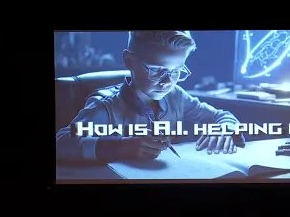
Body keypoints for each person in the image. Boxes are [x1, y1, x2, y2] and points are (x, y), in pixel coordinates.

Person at [55, 30, 246, 163]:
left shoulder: (176, 96)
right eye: (156, 70)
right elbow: (60, 143)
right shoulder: (105, 107)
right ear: (129, 61)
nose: (167, 82)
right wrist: (120, 147)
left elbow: (221, 116)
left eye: (176, 71)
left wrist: (224, 129)